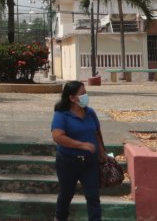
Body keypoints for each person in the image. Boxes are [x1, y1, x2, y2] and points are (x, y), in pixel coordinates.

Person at [50, 80, 106, 221]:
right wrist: (81, 145)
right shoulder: (61, 115)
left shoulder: (90, 112)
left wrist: (102, 153)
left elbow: (97, 133)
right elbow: (58, 137)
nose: (85, 96)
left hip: (90, 162)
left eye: (86, 92)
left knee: (93, 196)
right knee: (66, 194)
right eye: (82, 94)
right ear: (72, 98)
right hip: (68, 162)